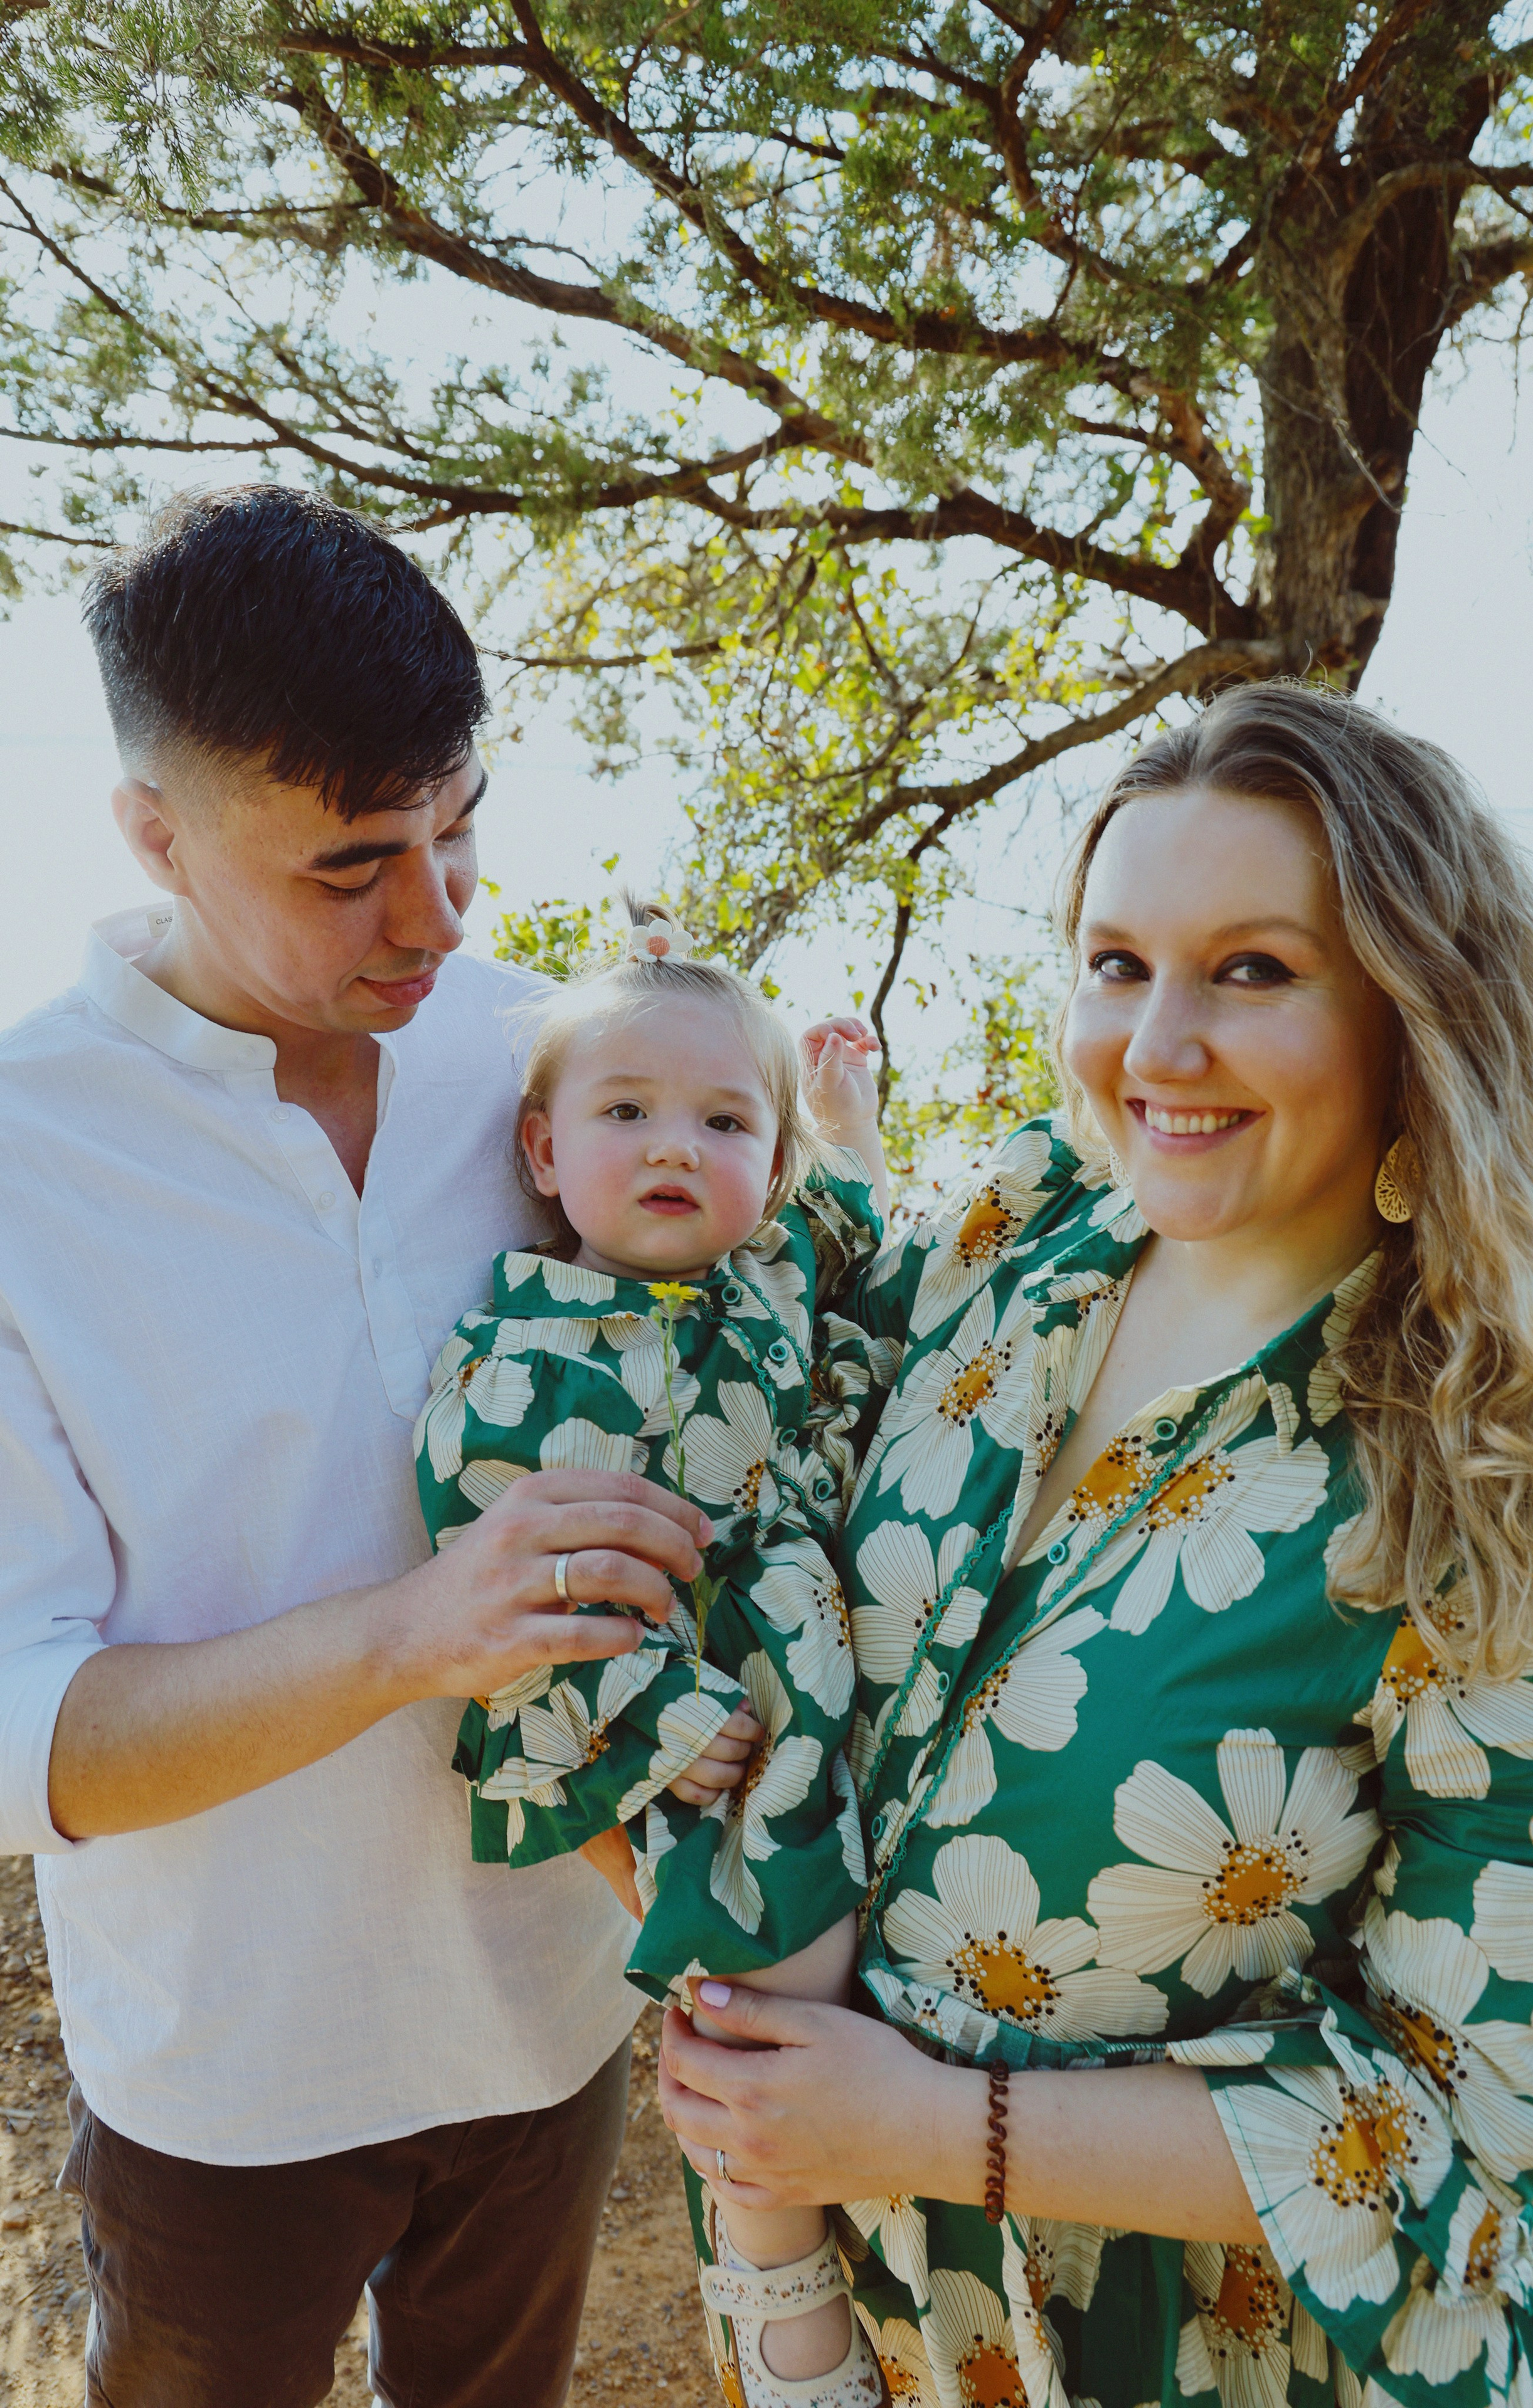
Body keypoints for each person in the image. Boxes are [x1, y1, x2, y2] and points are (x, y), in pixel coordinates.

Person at [657, 682, 1533, 2408]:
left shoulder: (1504, 1482)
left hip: (1222, 2357)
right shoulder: (1013, 1246)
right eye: (1116, 963)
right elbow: (759, 1409)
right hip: (873, 2319)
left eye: (1253, 971)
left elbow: (1462, 2121)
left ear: (1415, 1012)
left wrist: (938, 2126)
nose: (1155, 1047)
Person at [0, 484, 723, 2408]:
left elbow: (730, 1347)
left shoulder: (541, 1062)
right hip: (227, 2083)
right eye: (347, 870)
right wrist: (421, 1634)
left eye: (458, 828)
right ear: (154, 833)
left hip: (556, 2024)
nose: (438, 917)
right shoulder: (17, 1157)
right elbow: (31, 1737)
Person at [415, 899, 893, 2407]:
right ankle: (774, 2288)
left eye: (725, 1121)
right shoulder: (525, 1345)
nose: (678, 1146)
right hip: (674, 1715)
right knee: (772, 1971)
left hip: (820, 1682)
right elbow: (506, 1568)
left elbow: (856, 1255)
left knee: (859, 1977)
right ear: (545, 1154)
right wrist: (670, 1717)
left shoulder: (763, 1286)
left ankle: (875, 2240)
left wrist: (846, 1121)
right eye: (627, 1112)